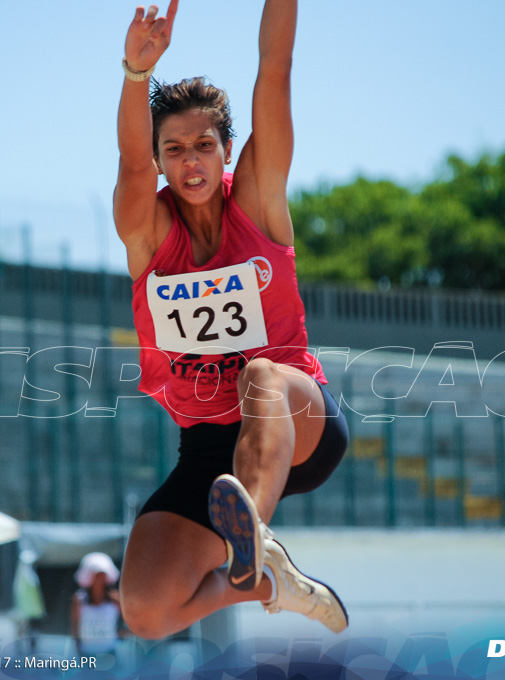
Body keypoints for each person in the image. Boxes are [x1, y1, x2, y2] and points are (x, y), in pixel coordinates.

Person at [114, 0, 350, 639]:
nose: (189, 161)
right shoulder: (147, 232)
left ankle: (257, 537)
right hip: (208, 446)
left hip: (297, 419)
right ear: (161, 161)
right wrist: (137, 75)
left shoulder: (257, 198)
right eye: (174, 149)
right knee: (145, 610)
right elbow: (130, 167)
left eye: (203, 145)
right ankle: (266, 579)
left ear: (226, 152)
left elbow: (275, 68)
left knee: (261, 376)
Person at [71, 553, 124, 657]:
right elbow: (75, 624)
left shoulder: (115, 599)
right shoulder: (79, 600)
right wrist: (77, 648)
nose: (99, 579)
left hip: (110, 653)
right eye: (96, 575)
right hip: (86, 654)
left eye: (102, 575)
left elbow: (130, 620)